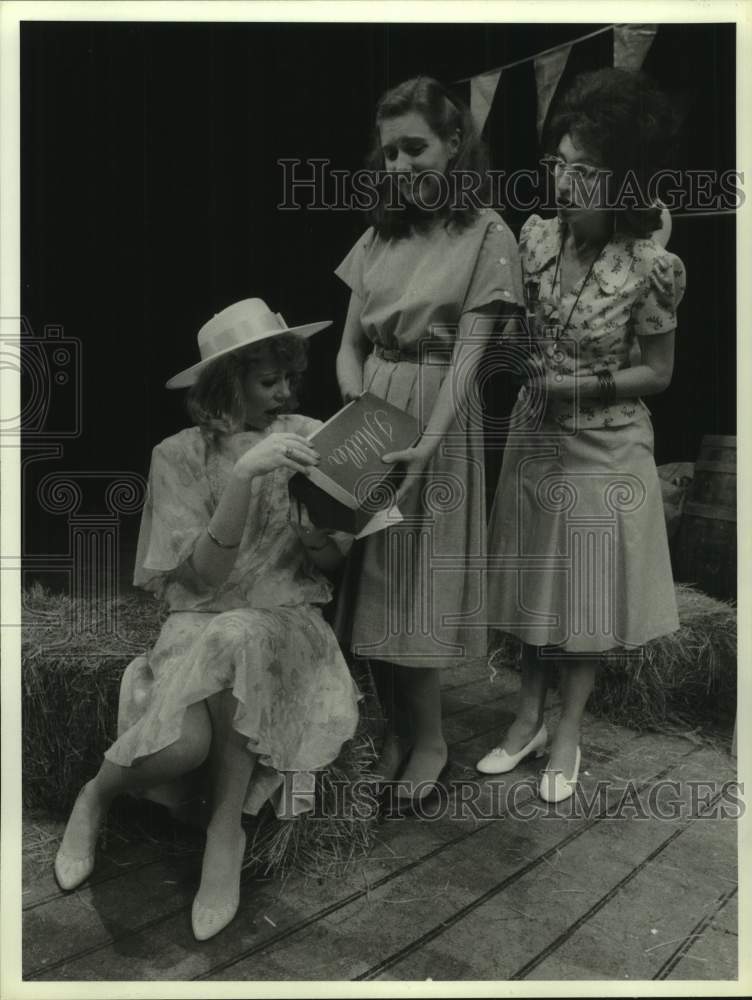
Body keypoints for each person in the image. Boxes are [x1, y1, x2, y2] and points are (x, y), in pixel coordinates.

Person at [53, 299, 361, 940]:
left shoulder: (311, 433)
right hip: (201, 618)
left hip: (284, 621)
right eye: (267, 381)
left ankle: (226, 829)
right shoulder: (177, 455)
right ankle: (97, 795)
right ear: (226, 384)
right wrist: (247, 475)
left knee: (241, 633)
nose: (285, 394)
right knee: (186, 738)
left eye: (289, 379)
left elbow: (325, 562)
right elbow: (202, 580)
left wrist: (333, 531)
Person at [477, 69, 686, 801]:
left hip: (606, 439)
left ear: (623, 179)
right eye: (558, 165)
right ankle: (526, 715)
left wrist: (585, 386)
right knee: (537, 579)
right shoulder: (533, 239)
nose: (565, 183)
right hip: (536, 434)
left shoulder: (652, 268)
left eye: (586, 171)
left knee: (586, 591)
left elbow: (657, 372)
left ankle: (567, 730)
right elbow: (514, 330)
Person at [335, 76, 524, 804]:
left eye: (415, 147)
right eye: (389, 153)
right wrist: (357, 405)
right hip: (373, 415)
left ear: (454, 144)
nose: (400, 166)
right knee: (373, 580)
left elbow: (470, 362)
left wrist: (424, 443)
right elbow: (348, 345)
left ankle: (433, 738)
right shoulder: (378, 233)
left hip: (436, 418)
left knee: (416, 585)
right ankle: (393, 729)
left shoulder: (487, 234)